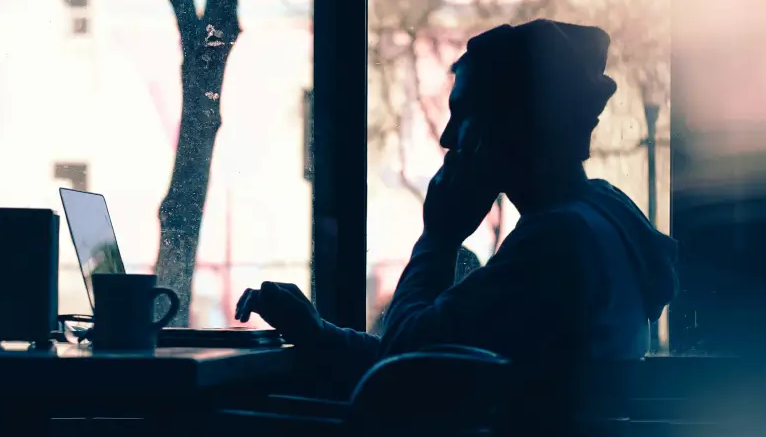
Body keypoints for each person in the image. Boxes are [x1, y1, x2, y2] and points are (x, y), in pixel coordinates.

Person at [235, 19, 678, 377]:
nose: (448, 137)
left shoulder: (556, 240)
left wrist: (439, 238)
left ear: (514, 123)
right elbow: (438, 348)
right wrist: (319, 334)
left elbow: (405, 364)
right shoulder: (598, 215)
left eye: (464, 113)